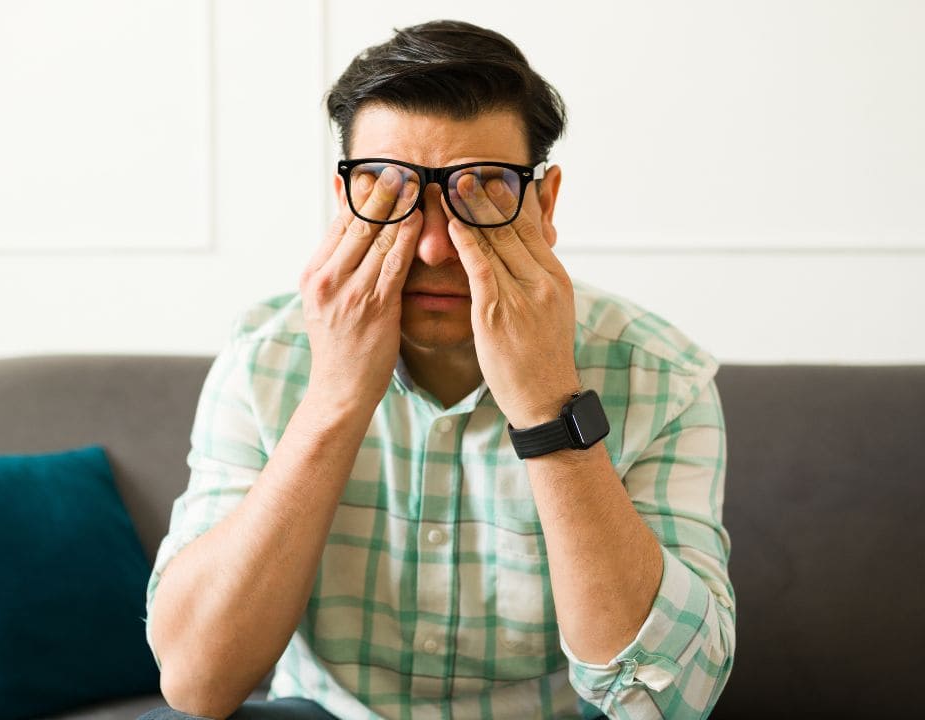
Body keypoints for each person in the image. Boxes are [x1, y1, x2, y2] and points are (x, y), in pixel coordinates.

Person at [140, 19, 734, 720]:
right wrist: (334, 399)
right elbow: (196, 682)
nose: (431, 250)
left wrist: (548, 405)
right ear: (346, 203)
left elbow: (669, 698)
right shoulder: (266, 357)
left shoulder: (660, 375)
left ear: (543, 207)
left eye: (480, 192)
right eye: (390, 192)